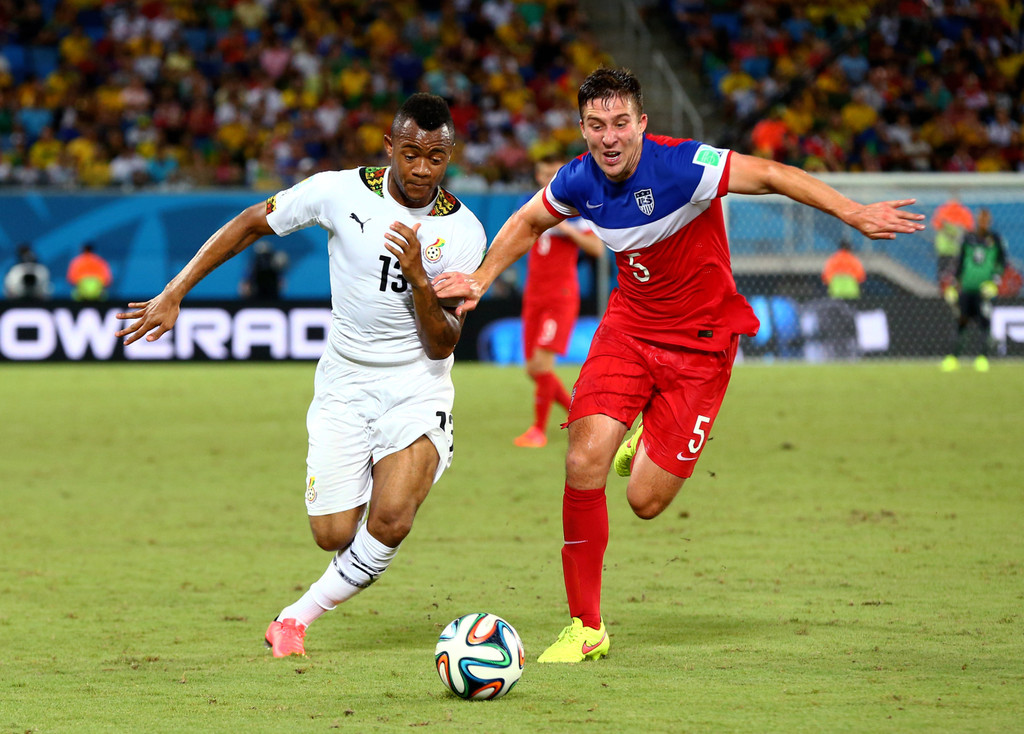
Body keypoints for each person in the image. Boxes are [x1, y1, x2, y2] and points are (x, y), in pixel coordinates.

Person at [433, 67, 924, 663]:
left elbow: (772, 174)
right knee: (583, 460)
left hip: (702, 346)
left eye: (620, 123)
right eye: (596, 125)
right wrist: (483, 277)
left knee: (644, 500)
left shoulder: (684, 165)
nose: (609, 137)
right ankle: (586, 626)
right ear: (582, 129)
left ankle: (645, 435)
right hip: (629, 330)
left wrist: (853, 213)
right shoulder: (579, 178)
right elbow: (530, 220)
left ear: (641, 123)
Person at [116, 93, 487, 658]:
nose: (421, 169)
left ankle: (295, 618)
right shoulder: (338, 191)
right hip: (344, 383)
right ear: (389, 146)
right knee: (333, 534)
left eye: (435, 158)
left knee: (391, 519)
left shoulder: (464, 232)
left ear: (449, 157)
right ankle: (371, 491)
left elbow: (442, 343)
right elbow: (250, 224)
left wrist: (418, 277)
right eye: (410, 154)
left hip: (417, 384)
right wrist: (175, 291)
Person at [514, 154, 604, 449]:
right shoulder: (529, 205)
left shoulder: (574, 210)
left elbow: (597, 249)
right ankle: (580, 417)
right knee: (532, 369)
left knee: (541, 365)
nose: (550, 179)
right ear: (538, 176)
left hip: (560, 297)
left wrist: (564, 228)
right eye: (545, 173)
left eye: (555, 173)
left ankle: (538, 431)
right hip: (533, 296)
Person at [941, 207, 1007, 373]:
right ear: (977, 220)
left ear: (989, 221)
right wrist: (954, 284)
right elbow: (960, 262)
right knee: (961, 322)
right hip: (967, 289)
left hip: (984, 292)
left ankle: (982, 358)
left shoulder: (995, 239)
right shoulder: (968, 238)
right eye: (981, 219)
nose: (983, 222)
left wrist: (994, 282)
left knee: (984, 324)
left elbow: (1002, 264)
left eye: (986, 219)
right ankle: (953, 358)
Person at [932, 195, 974, 290]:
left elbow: (936, 225)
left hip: (944, 248)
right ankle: (956, 289)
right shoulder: (964, 212)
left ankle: (943, 290)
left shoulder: (942, 211)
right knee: (957, 272)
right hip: (957, 248)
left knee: (943, 273)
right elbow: (969, 229)